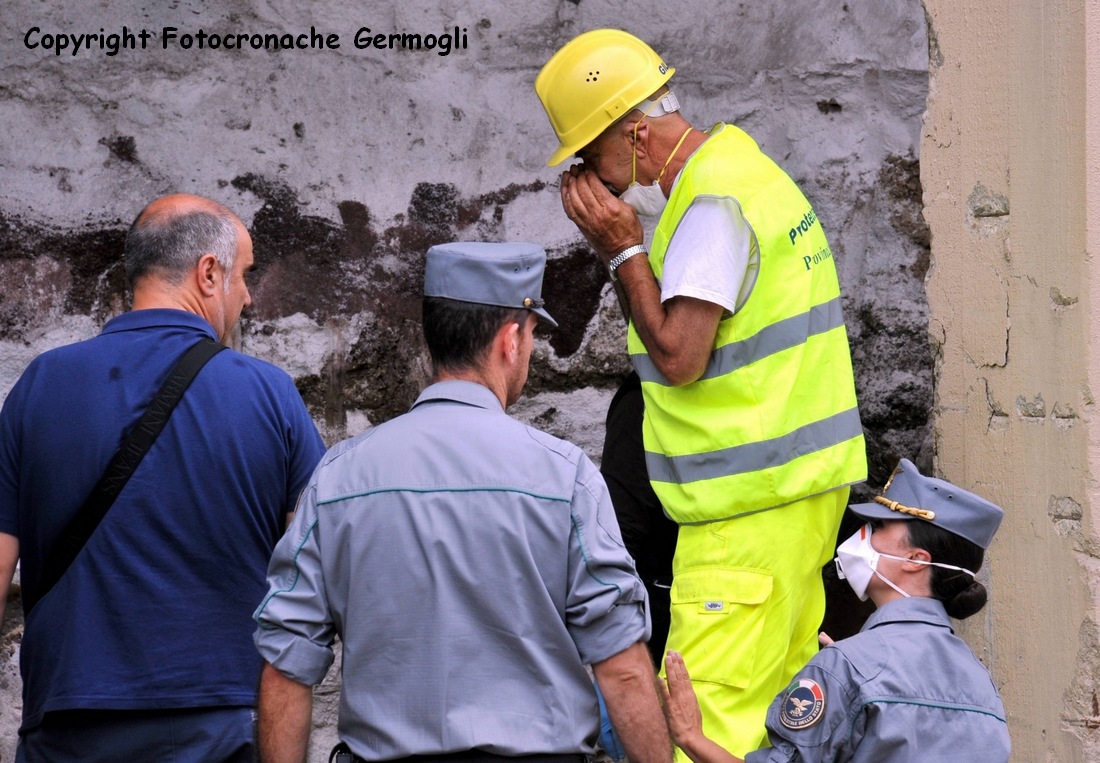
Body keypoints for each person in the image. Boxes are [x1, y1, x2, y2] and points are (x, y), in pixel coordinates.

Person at [535, 28, 867, 757]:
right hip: (799, 502)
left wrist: (622, 249)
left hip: (740, 522)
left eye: (591, 161)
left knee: (702, 729)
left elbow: (680, 355)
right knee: (780, 734)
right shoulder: (750, 172)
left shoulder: (712, 205)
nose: (591, 184)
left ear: (636, 132)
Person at [253, 241, 672, 763]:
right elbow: (622, 665)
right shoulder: (565, 477)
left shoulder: (338, 478)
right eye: (534, 334)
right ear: (509, 339)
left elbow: (285, 665)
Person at [0, 194, 326, 762]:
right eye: (243, 274)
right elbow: (317, 576)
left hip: (69, 722)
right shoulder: (270, 394)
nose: (247, 296)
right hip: (221, 722)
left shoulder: (40, 385)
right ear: (208, 272)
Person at [662, 458, 1011, 762]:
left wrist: (691, 736)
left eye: (878, 527)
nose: (861, 536)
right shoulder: (981, 684)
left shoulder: (846, 668)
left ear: (916, 560)